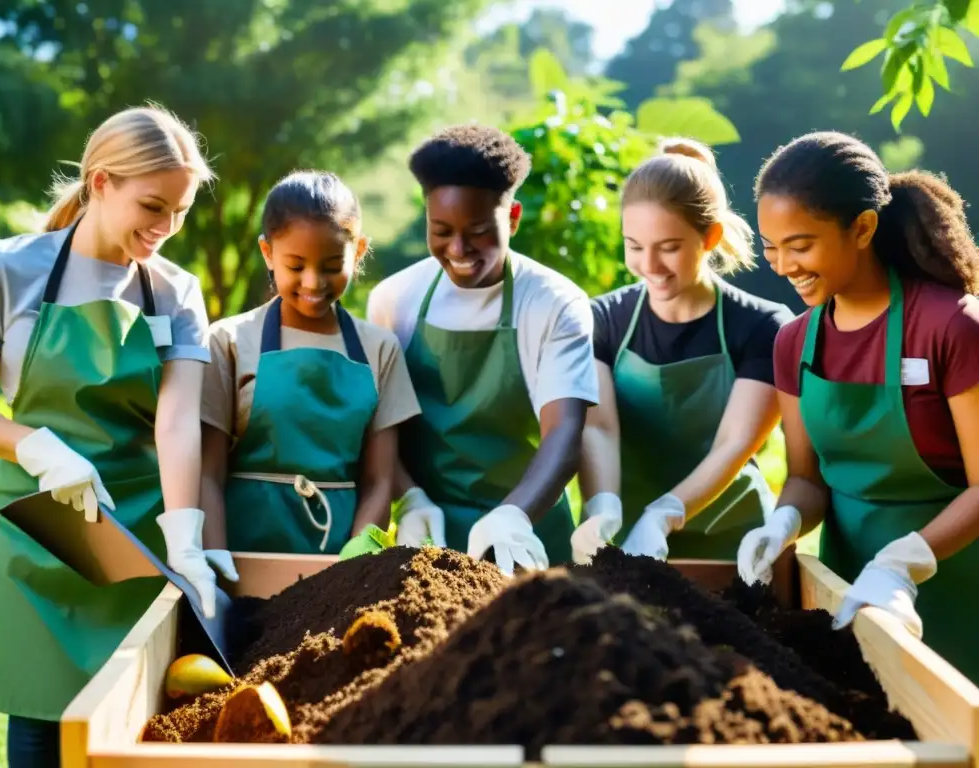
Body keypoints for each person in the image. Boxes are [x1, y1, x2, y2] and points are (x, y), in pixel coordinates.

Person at [0, 105, 236, 767]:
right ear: (101, 182)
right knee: (36, 722)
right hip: (33, 527)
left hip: (132, 536)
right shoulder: (5, 269)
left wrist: (186, 536)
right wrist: (35, 447)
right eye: (152, 206)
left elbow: (175, 422)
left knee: (127, 730)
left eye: (181, 211)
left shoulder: (175, 293)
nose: (165, 229)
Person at [737, 131, 979, 683]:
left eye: (800, 245)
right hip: (850, 590)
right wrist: (783, 524)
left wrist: (900, 566)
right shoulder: (794, 342)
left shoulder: (952, 326)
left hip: (958, 583)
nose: (782, 266)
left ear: (863, 228)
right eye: (772, 248)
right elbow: (807, 479)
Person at [367, 124, 599, 574]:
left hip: (528, 534)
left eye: (477, 231)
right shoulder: (395, 300)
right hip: (429, 542)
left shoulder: (553, 302)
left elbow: (564, 431)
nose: (458, 249)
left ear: (511, 217)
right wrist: (410, 498)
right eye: (441, 230)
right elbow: (381, 426)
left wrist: (511, 519)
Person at [571, 138, 793, 565]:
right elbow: (599, 428)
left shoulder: (763, 326)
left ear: (709, 237)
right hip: (624, 544)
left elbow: (735, 442)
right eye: (634, 246)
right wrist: (602, 508)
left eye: (668, 247)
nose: (649, 265)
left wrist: (664, 514)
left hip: (732, 542)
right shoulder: (602, 319)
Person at [199, 170, 421, 555]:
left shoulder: (380, 349)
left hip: (337, 562)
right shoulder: (229, 341)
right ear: (268, 253)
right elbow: (207, 473)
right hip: (241, 557)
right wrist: (216, 561)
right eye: (296, 266)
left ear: (360, 251)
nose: (314, 282)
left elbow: (379, 480)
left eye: (332, 265)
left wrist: (355, 562)